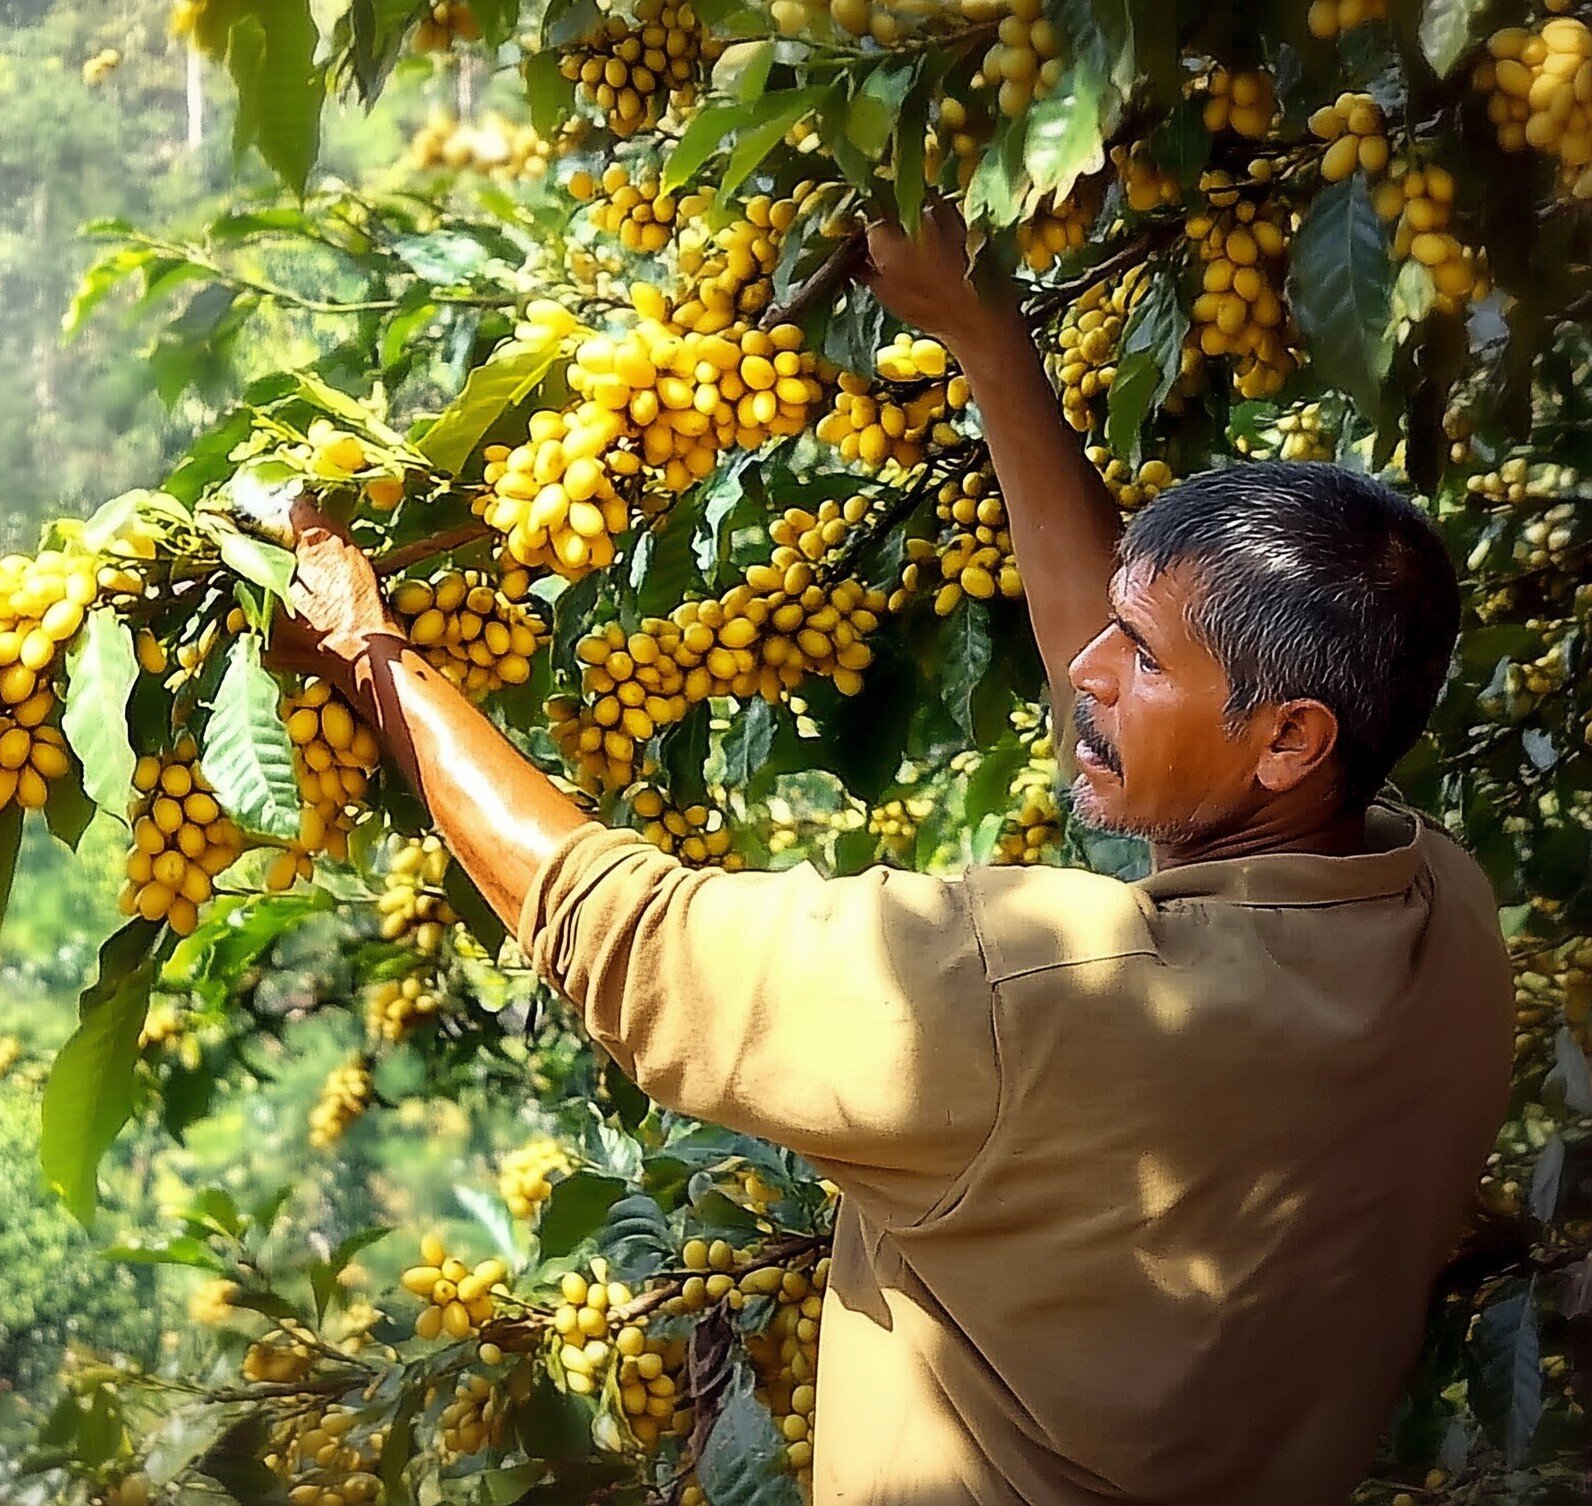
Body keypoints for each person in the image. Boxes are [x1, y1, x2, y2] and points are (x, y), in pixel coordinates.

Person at [259, 203, 1515, 1505]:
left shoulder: (1032, 999)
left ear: (1291, 738)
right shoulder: (1450, 920)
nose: (1085, 671)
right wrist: (986, 336)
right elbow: (1155, 667)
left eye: (1138, 658)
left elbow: (629, 937)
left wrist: (372, 655)